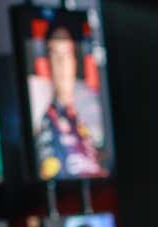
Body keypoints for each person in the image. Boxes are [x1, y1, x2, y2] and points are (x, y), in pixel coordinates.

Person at [35, 21, 102, 180]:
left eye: (67, 54)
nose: (61, 63)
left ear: (75, 60)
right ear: (47, 62)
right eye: (55, 54)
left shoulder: (94, 109)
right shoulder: (39, 113)